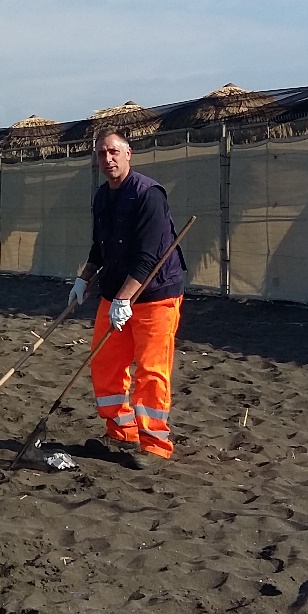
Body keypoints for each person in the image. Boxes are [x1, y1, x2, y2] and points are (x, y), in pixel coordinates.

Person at [67, 129, 186, 470]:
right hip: (116, 291)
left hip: (155, 296)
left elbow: (149, 257)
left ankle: (155, 444)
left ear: (128, 153)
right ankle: (122, 431)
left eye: (114, 152)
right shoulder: (102, 197)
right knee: (105, 364)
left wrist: (124, 300)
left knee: (151, 370)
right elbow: (99, 247)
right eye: (102, 154)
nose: (108, 159)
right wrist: (83, 280)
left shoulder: (149, 195)